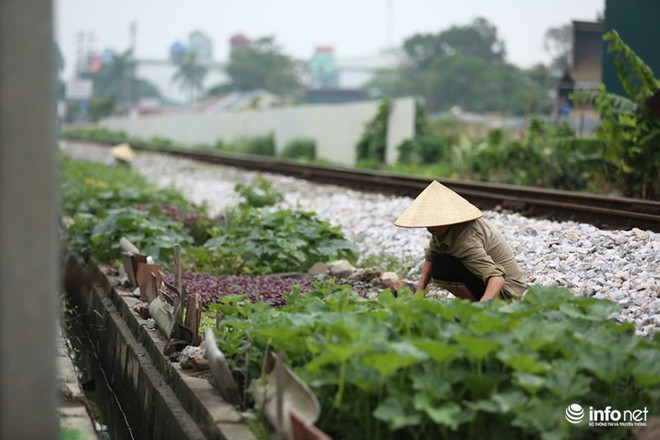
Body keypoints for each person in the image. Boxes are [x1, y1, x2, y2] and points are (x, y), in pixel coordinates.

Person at [394, 180, 527, 302]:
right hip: (489, 282)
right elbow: (430, 258)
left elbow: (497, 279)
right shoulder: (441, 230)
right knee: (438, 261)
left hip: (507, 293)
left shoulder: (466, 239)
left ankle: (476, 306)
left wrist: (483, 310)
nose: (429, 227)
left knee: (443, 265)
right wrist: (419, 294)